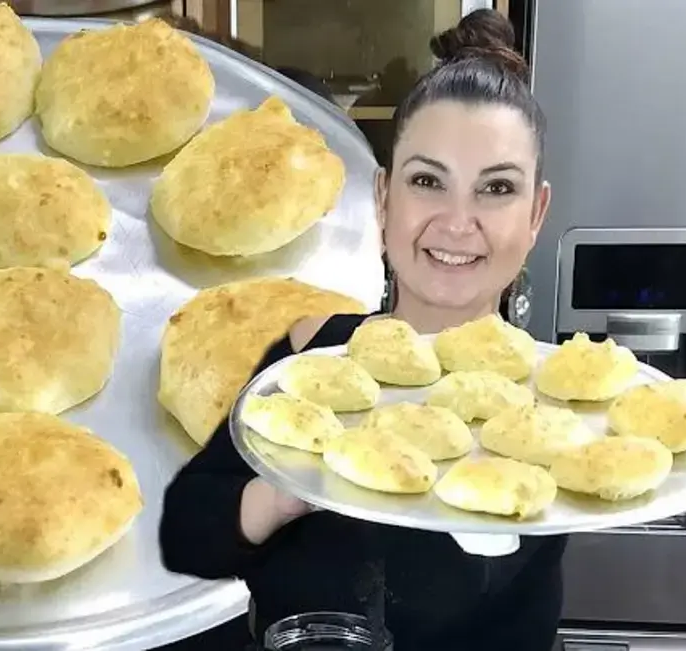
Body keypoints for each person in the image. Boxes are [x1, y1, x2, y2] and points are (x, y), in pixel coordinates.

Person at [159, 9, 561, 651]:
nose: (457, 223)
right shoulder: (311, 351)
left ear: (535, 213)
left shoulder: (556, 406)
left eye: (496, 189)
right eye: (427, 181)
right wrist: (287, 494)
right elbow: (189, 531)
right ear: (383, 197)